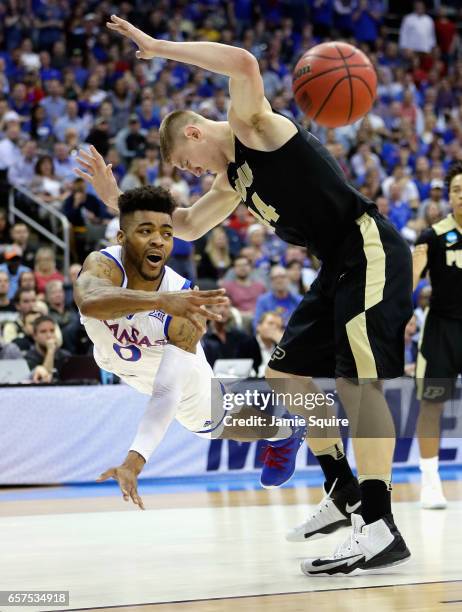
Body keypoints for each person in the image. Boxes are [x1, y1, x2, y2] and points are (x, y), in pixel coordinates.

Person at [77, 16, 414, 573]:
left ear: (192, 134)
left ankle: (379, 524)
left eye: (188, 162)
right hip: (337, 267)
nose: (194, 170)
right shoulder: (232, 181)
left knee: (359, 381)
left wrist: (158, 48)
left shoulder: (252, 125)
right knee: (285, 374)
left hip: (369, 248)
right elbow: (183, 225)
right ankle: (343, 490)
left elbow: (244, 62)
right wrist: (117, 198)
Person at [74, 185, 306, 509]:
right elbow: (89, 302)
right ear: (121, 239)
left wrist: (134, 461)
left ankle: (285, 431)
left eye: (167, 233)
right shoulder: (101, 265)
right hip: (116, 360)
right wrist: (157, 300)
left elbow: (167, 391)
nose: (158, 240)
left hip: (175, 375)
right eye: (146, 231)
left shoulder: (186, 300)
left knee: (210, 425)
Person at [412, 162, 462, 510]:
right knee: (432, 403)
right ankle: (430, 481)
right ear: (449, 196)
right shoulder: (432, 236)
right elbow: (410, 281)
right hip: (442, 328)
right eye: (457, 190)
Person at [253, 266, 302, 330]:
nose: (279, 280)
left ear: (288, 279)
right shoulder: (263, 301)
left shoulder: (299, 300)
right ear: (271, 281)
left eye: (282, 277)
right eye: (275, 278)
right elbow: (257, 325)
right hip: (271, 336)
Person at [25, 315, 70, 382]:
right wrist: (50, 351)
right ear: (34, 336)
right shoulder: (29, 358)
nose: (49, 335)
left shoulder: (65, 356)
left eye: (52, 331)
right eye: (43, 331)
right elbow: (44, 381)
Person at [255, 311, 284, 378]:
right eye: (270, 323)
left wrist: (282, 343)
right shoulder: (246, 345)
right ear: (258, 326)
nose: (274, 328)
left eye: (278, 326)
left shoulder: (281, 347)